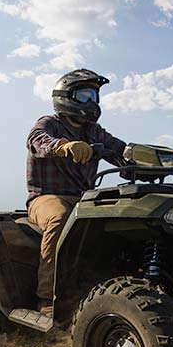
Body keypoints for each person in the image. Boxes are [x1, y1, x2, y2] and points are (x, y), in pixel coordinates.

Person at [26, 68, 128, 317]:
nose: (91, 102)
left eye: (94, 96)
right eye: (84, 96)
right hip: (46, 197)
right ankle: (47, 298)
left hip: (85, 199)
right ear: (66, 96)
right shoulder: (50, 123)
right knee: (60, 218)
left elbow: (121, 151)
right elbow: (37, 140)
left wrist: (144, 158)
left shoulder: (94, 132)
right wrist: (63, 145)